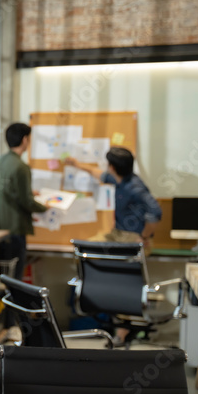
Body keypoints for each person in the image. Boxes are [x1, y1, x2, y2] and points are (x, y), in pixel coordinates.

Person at [66, 146, 163, 347]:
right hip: (117, 233)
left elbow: (156, 211)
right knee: (85, 247)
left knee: (123, 280)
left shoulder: (135, 187)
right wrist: (76, 164)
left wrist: (144, 235)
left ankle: (121, 333)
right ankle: (89, 291)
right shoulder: (117, 178)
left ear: (112, 166)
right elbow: (97, 174)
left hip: (132, 237)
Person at [0, 122, 48, 337]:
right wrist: (45, 206)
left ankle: (3, 325)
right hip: (14, 231)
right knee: (15, 281)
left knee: (1, 279)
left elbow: (11, 193)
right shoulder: (21, 167)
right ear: (24, 140)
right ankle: (11, 325)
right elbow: (25, 201)